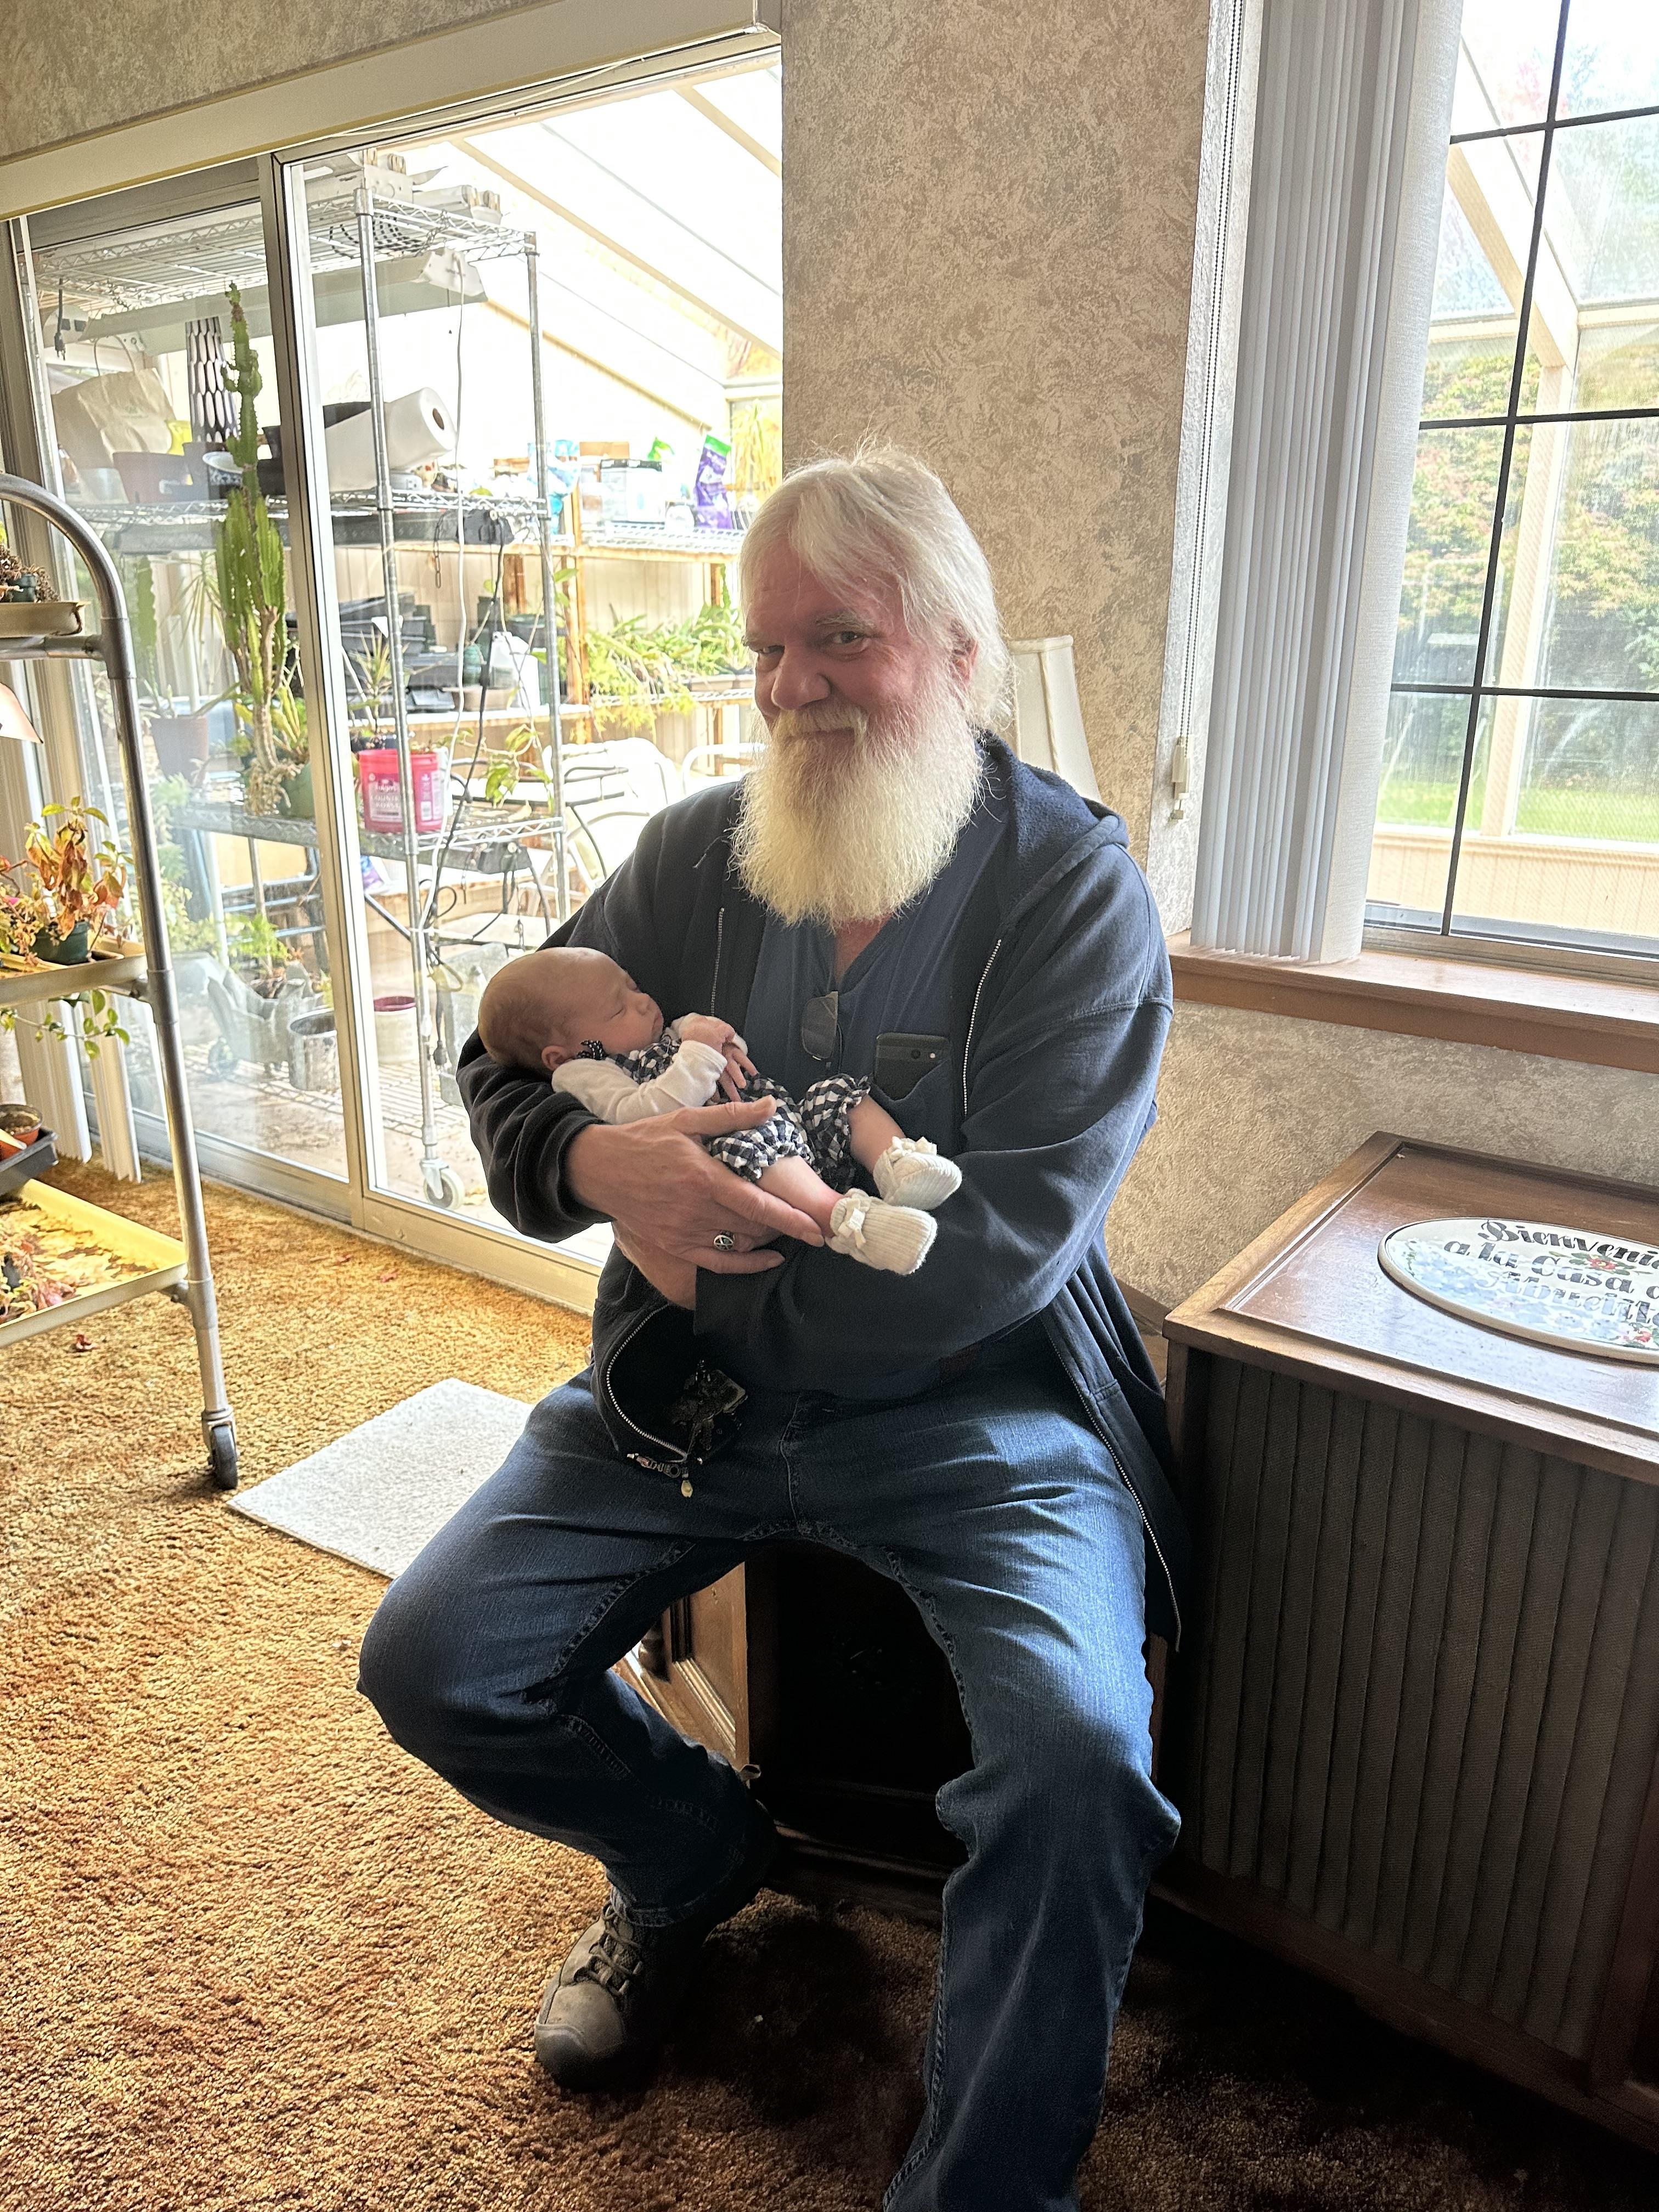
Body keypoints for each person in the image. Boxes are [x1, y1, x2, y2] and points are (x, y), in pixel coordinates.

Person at [358, 446, 1187, 2212]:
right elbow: (507, 1048)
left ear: (956, 650)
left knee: (1078, 1762)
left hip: (983, 1414)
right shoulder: (691, 854)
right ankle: (687, 1862)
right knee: (430, 1660)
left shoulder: (1073, 890)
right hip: (682, 1400)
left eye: (843, 638)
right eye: (765, 651)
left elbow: (1009, 1247)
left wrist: (694, 1264)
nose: (794, 686)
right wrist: (596, 1165)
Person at [473, 942, 961, 1273]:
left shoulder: (664, 1032)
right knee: (752, 1143)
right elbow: (644, 1112)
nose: (642, 1004)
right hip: (734, 1151)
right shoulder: (586, 1071)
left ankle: (899, 1163)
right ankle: (847, 1221)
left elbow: (720, 1037)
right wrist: (701, 1054)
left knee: (841, 1096)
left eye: (633, 987)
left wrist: (721, 1044)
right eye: (617, 1009)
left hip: (782, 1115)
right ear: (566, 1052)